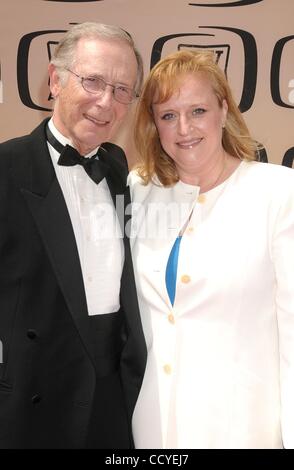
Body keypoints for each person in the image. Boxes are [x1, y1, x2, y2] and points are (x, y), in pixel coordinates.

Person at [129, 49, 294, 449]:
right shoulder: (140, 190)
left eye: (198, 110)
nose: (184, 128)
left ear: (223, 109)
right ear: (155, 125)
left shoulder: (278, 192)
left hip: (243, 431)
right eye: (168, 115)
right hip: (153, 431)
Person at [0, 22, 146, 449]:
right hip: (32, 404)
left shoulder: (120, 170)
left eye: (123, 90)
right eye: (94, 81)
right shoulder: (6, 167)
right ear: (54, 81)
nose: (107, 102)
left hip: (113, 403)